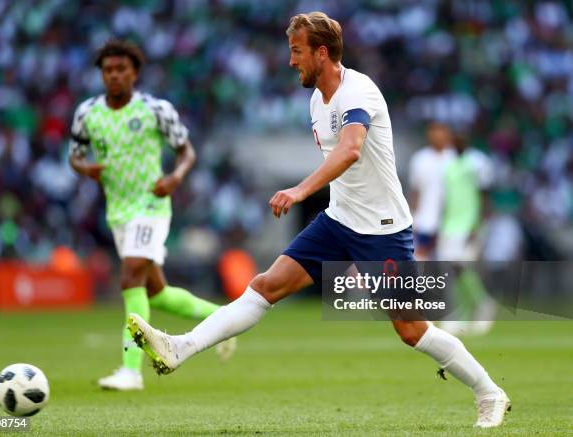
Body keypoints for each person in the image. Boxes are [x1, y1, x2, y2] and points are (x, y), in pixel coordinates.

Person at [127, 13, 510, 428]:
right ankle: (179, 347)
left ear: (321, 53)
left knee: (412, 329)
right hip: (339, 220)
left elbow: (349, 150)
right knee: (265, 286)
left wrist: (300, 190)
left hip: (382, 229)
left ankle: (489, 391)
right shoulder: (316, 100)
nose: (291, 61)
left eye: (297, 51)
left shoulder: (358, 91)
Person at [68, 39, 235, 391]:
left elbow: (186, 151)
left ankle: (131, 371)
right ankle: (223, 321)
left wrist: (175, 177)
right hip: (118, 211)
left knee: (130, 277)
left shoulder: (155, 110)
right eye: (107, 70)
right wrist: (85, 169)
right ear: (101, 74)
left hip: (151, 205)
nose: (114, 76)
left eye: (120, 69)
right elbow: (75, 155)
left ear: (134, 73)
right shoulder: (87, 114)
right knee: (157, 293)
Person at [436, 132, 496, 336]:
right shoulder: (448, 165)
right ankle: (465, 311)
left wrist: (478, 225)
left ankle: (482, 304)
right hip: (450, 225)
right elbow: (446, 197)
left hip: (469, 225)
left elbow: (485, 195)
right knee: (452, 270)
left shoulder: (478, 162)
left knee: (461, 266)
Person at [408, 122, 455, 261]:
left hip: (450, 223)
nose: (437, 135)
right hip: (424, 221)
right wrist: (413, 220)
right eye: (433, 131)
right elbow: (415, 192)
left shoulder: (455, 159)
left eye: (441, 131)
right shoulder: (420, 159)